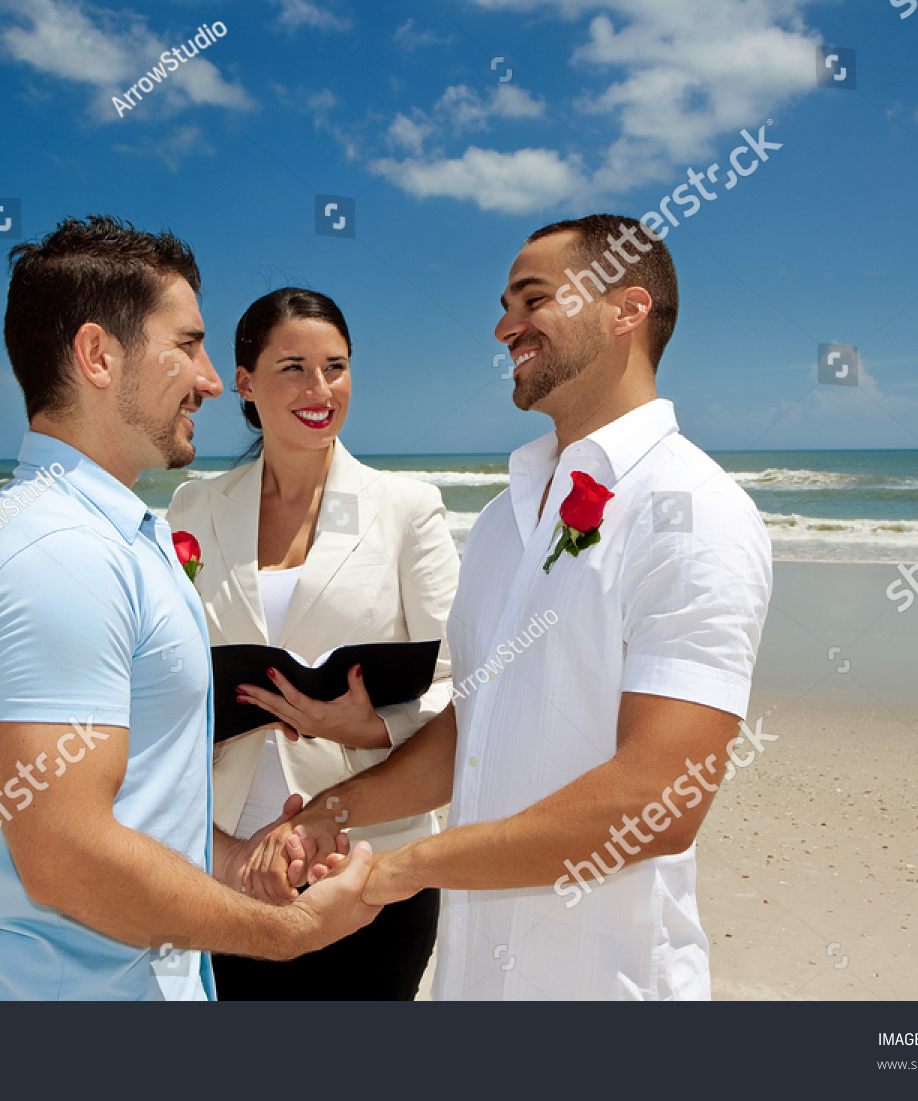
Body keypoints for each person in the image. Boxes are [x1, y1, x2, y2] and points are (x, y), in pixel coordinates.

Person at [256, 214, 773, 1000]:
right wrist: (332, 811)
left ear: (627, 309)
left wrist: (404, 868)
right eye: (505, 304)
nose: (504, 326)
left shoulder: (695, 510)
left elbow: (659, 799)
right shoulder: (505, 518)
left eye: (533, 299)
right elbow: (475, 724)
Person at [0, 216, 379, 1001]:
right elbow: (65, 854)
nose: (211, 379)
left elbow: (125, 804)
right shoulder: (62, 553)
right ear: (98, 356)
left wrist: (233, 860)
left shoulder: (122, 536)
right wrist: (292, 934)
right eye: (187, 344)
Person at [167, 288, 459, 1000]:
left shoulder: (407, 509)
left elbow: (461, 680)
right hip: (223, 857)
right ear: (244, 381)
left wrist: (370, 724)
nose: (320, 389)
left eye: (336, 366)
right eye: (293, 366)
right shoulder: (193, 507)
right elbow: (166, 667)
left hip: (369, 861)